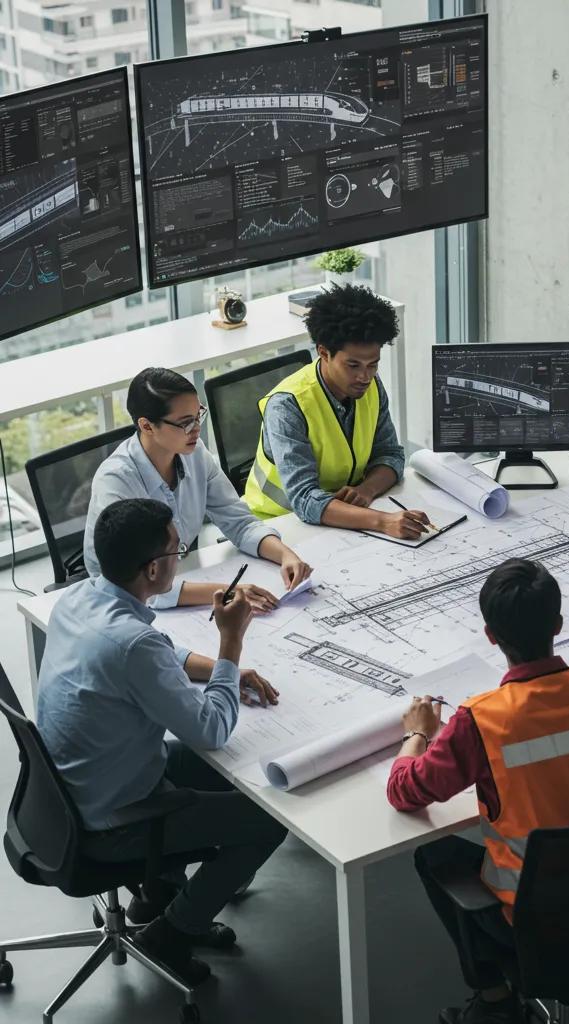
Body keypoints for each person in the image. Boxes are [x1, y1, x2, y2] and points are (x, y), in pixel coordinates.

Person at [36, 499, 287, 983]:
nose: (181, 556)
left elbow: (157, 649)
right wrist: (230, 645)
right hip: (113, 819)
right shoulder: (134, 645)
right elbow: (211, 730)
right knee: (265, 821)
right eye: (178, 551)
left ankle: (159, 893)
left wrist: (218, 672)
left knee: (205, 770)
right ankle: (172, 933)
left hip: (70, 790)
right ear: (154, 569)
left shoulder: (81, 597)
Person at [387, 559, 569, 1024]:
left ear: (489, 635)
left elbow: (405, 791)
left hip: (534, 922)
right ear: (559, 624)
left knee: (434, 857)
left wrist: (417, 736)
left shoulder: (482, 720)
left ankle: (494, 999)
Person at [84, 366, 312, 611]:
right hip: (121, 603)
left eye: (198, 415)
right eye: (185, 423)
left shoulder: (195, 454)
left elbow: (240, 523)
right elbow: (134, 583)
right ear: (147, 426)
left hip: (178, 576)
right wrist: (229, 592)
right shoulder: (116, 481)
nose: (196, 429)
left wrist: (286, 556)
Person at [245, 284, 428, 541]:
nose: (365, 376)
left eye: (373, 364)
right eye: (352, 365)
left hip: (343, 516)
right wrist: (383, 521)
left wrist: (366, 490)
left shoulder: (371, 386)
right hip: (279, 526)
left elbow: (391, 455)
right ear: (323, 353)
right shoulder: (287, 406)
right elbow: (305, 499)